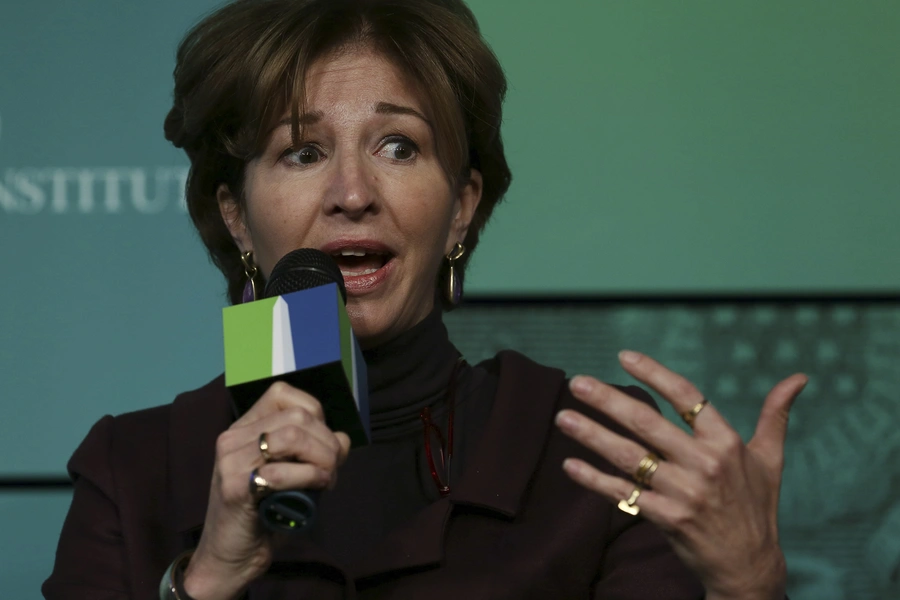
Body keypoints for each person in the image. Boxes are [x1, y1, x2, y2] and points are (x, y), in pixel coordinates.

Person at [43, 1, 806, 598]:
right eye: (303, 152)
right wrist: (205, 579)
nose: (352, 194)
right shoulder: (133, 470)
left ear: (463, 206)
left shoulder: (589, 458)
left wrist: (745, 587)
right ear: (237, 214)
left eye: (399, 146)